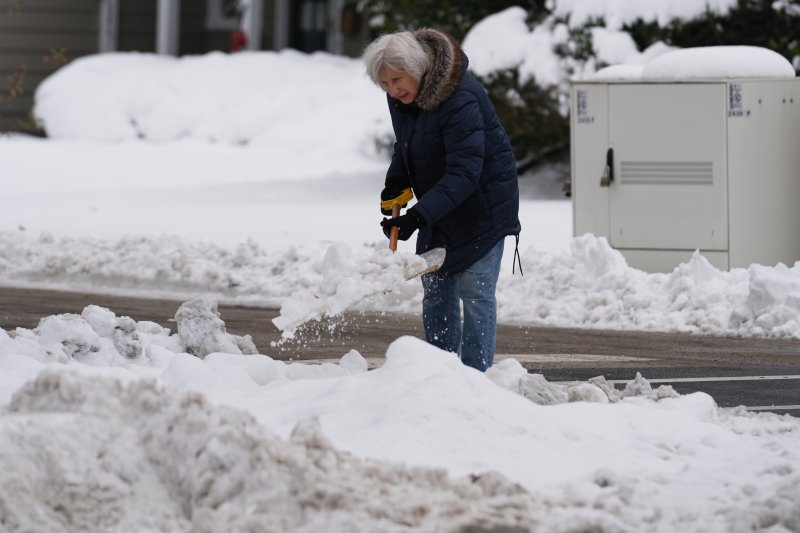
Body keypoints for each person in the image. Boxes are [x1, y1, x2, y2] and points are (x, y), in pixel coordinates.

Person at [362, 28, 521, 372]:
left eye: (397, 80)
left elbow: (465, 172)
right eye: (385, 84)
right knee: (436, 290)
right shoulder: (402, 96)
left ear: (417, 69)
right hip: (442, 203)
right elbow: (407, 144)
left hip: (483, 205)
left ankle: (475, 378)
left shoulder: (459, 97)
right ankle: (440, 373)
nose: (392, 90)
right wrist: (396, 185)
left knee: (474, 292)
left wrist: (417, 218)